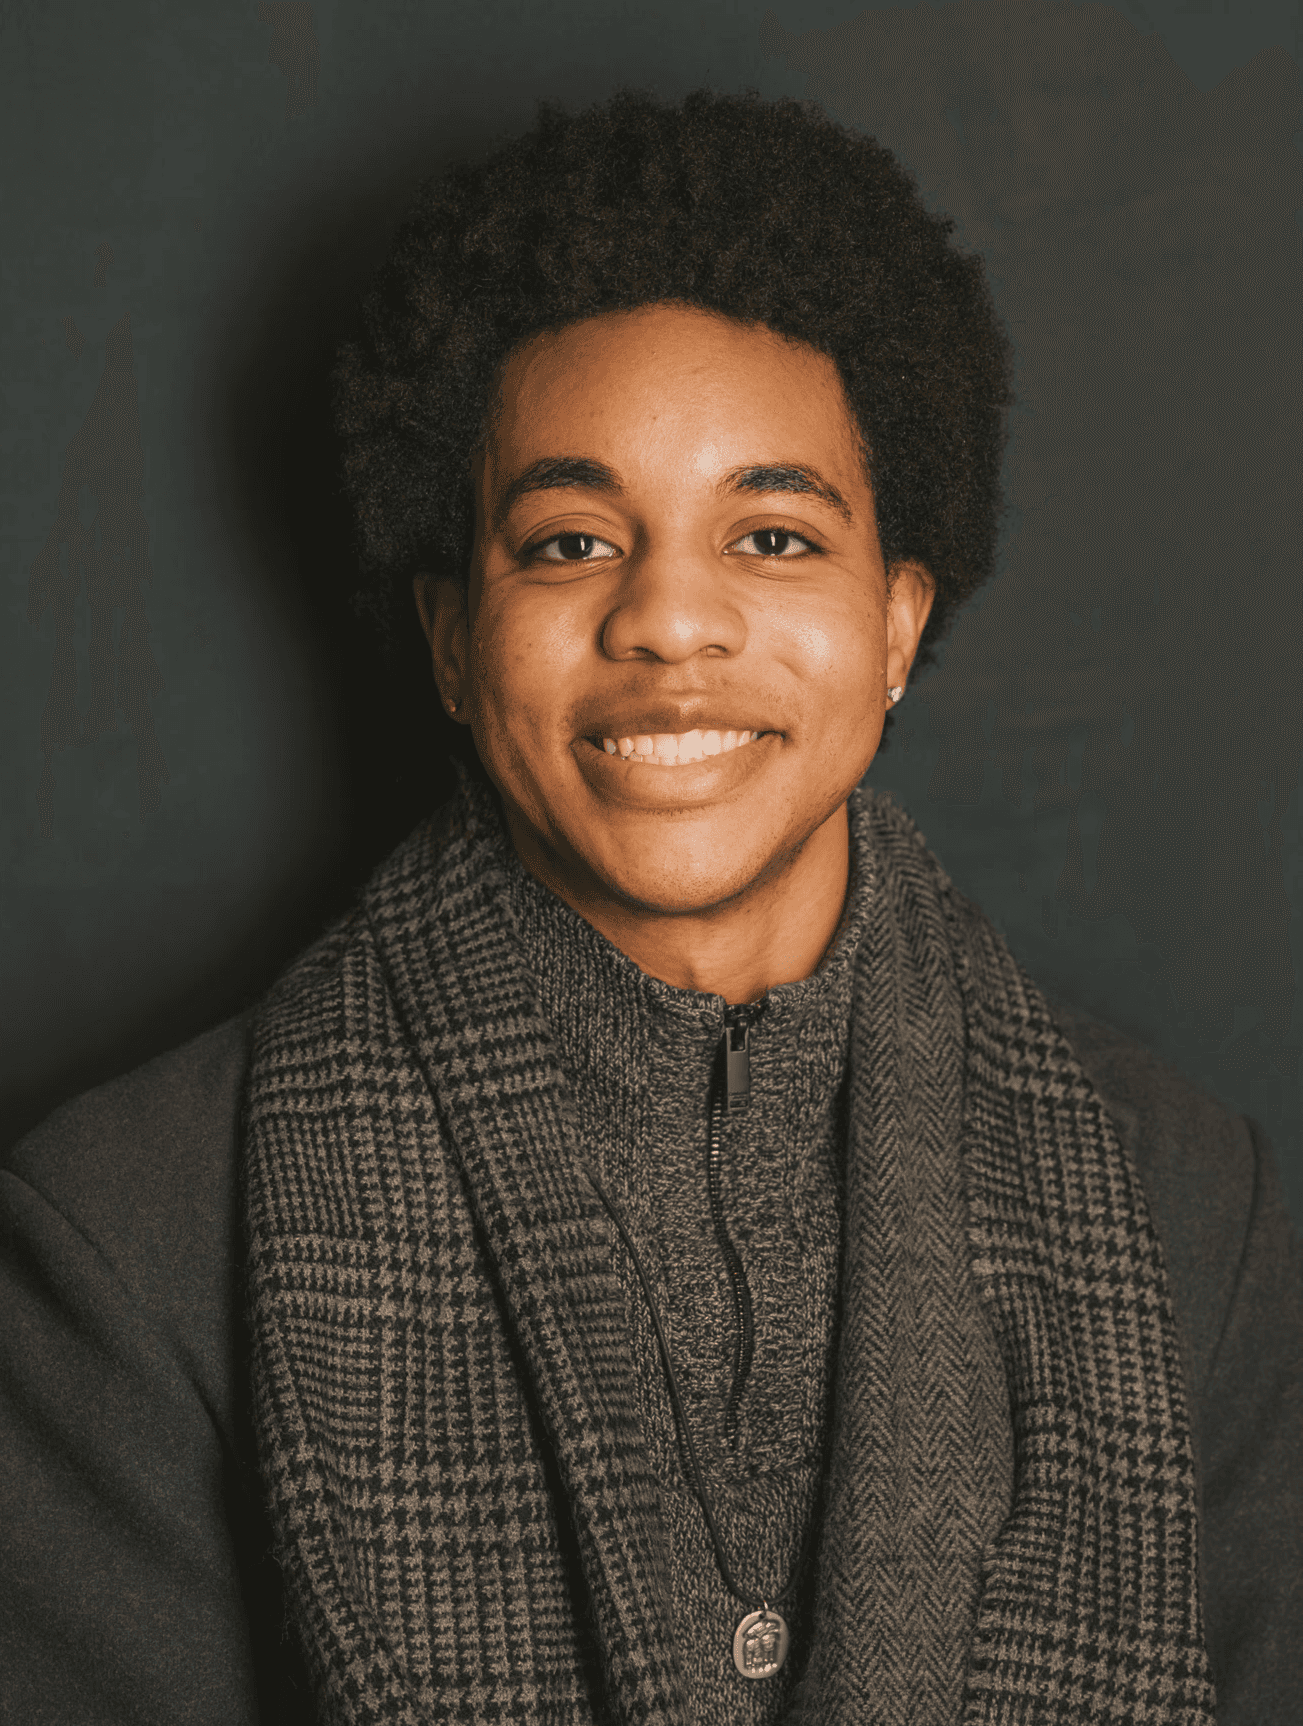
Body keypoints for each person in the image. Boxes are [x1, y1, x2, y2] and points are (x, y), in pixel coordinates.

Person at [2, 87, 1299, 1726]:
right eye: (568, 541)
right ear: (451, 640)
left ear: (896, 624)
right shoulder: (128, 1242)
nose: (670, 619)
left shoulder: (1195, 1211)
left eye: (771, 534)